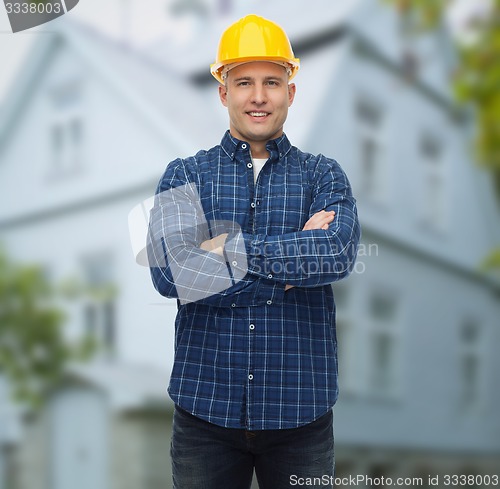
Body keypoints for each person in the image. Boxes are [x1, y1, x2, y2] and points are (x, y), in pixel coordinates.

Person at [147, 14, 361, 489]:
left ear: (291, 91)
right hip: (203, 415)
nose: (258, 96)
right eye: (243, 82)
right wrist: (289, 266)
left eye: (272, 81)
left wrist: (223, 249)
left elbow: (335, 255)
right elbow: (169, 274)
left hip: (300, 417)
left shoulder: (324, 175)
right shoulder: (185, 174)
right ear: (223, 91)